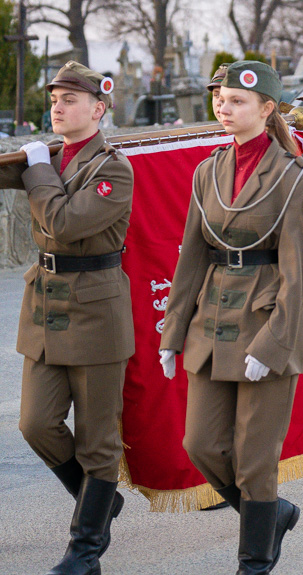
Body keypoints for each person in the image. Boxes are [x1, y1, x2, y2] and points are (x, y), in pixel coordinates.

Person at [159, 60, 303, 572]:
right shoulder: (208, 171)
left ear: (267, 109)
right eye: (220, 101)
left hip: (268, 320)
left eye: (236, 102)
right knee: (201, 445)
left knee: (254, 457)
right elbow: (191, 256)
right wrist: (172, 330)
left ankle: (254, 559)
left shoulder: (295, 180)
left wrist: (273, 345)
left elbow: (298, 278)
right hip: (213, 322)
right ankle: (272, 514)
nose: (223, 109)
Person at [0, 61, 131, 574]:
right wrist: (33, 164)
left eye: (70, 99)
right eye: (54, 98)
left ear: (98, 110)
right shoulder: (49, 156)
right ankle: (99, 501)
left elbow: (62, 221)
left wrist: (36, 169)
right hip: (46, 306)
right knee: (35, 424)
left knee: (98, 441)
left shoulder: (112, 169)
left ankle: (85, 550)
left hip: (95, 311)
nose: (57, 106)